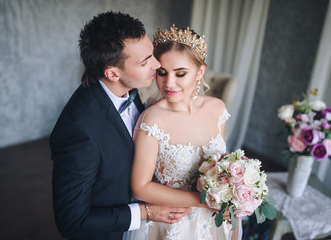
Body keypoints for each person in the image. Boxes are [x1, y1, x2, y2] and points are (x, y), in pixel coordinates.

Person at [50, 12, 190, 240]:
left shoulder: (129, 89)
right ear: (113, 73)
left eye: (151, 54)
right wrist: (146, 212)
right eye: (146, 61)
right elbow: (71, 222)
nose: (157, 64)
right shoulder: (78, 131)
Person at [127, 25, 241, 240]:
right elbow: (140, 188)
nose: (169, 83)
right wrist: (203, 200)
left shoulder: (217, 108)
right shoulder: (153, 119)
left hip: (217, 219)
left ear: (200, 71)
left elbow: (221, 163)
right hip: (173, 221)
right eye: (162, 73)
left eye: (180, 73)